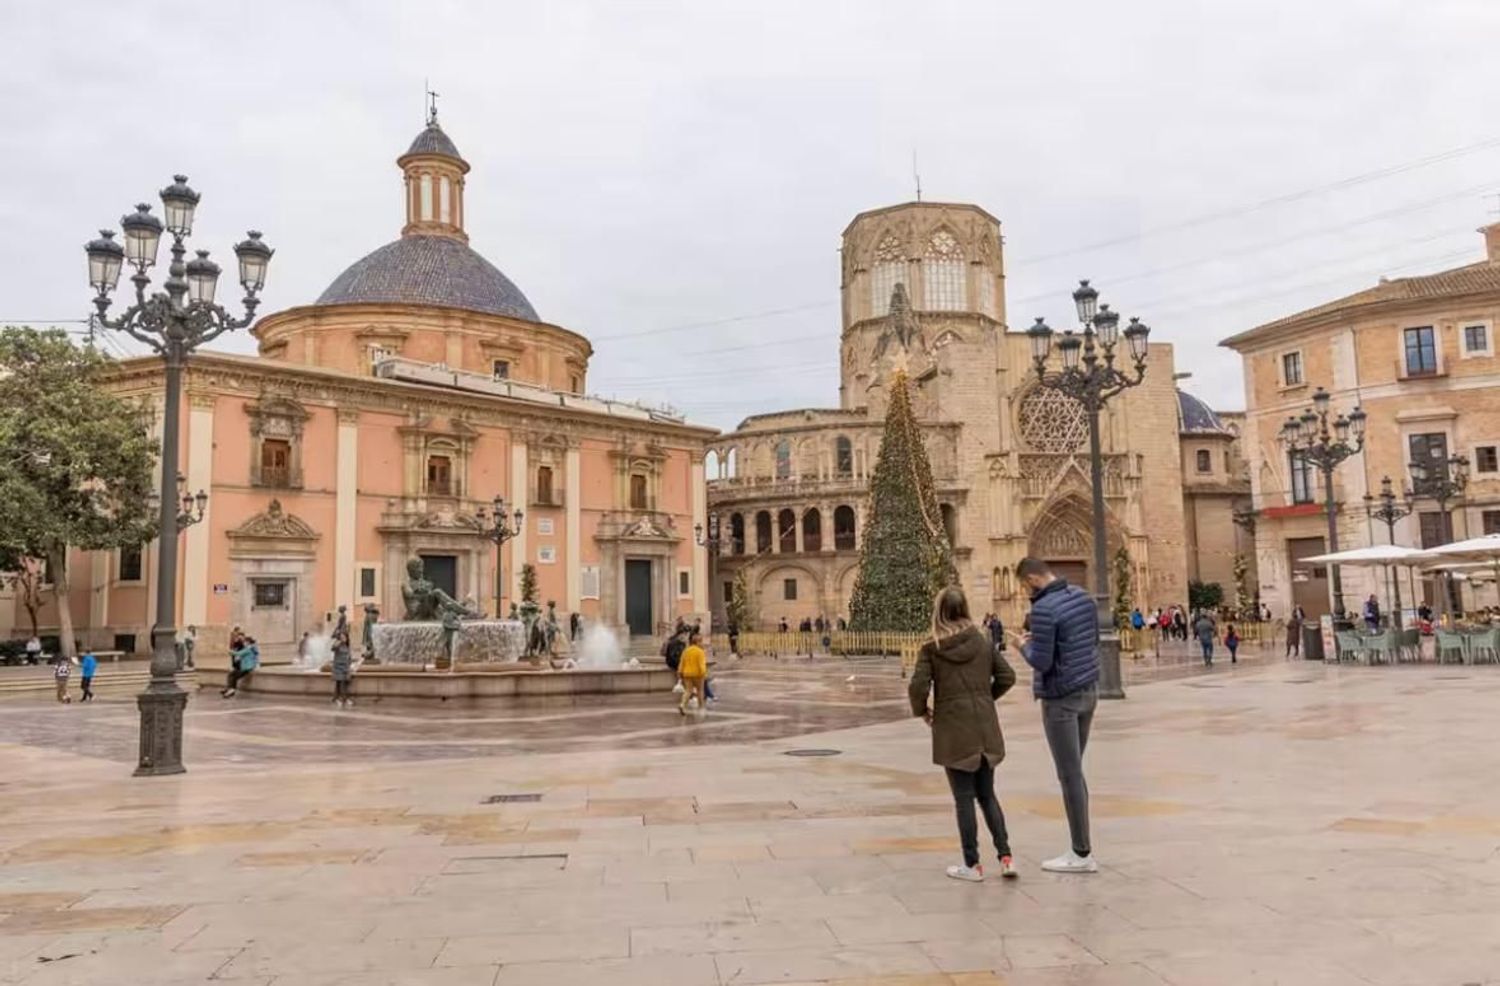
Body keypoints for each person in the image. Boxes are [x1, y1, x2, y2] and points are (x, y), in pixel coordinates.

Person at [909, 586, 1018, 882]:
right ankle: (1006, 857)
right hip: (984, 727)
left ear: (939, 612)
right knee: (987, 795)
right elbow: (1007, 676)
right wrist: (985, 698)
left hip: (954, 729)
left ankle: (972, 864)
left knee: (964, 798)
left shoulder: (933, 647)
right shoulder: (982, 640)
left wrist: (924, 712)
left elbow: (917, 687)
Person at [1015, 557, 1099, 874]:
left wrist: (1021, 646)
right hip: (1088, 690)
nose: (1027, 592)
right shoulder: (1083, 597)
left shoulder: (1044, 609)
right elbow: (1089, 641)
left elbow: (1042, 662)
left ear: (1032, 579)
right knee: (1075, 772)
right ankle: (1081, 848)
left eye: (1025, 586)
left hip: (1061, 699)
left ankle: (1081, 853)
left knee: (1069, 774)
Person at [678, 631, 708, 716]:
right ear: (697, 642)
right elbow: (701, 665)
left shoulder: (686, 651)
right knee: (700, 691)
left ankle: (682, 705)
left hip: (687, 674)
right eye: (701, 641)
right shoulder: (700, 652)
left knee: (688, 691)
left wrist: (680, 672)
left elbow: (682, 662)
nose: (702, 643)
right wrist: (704, 674)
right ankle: (701, 707)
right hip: (698, 675)